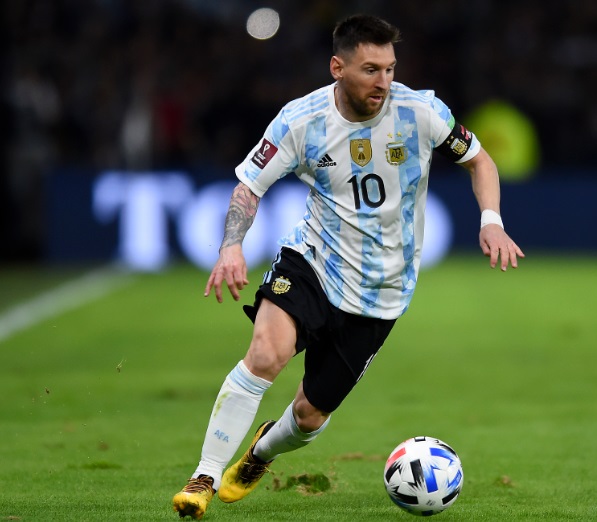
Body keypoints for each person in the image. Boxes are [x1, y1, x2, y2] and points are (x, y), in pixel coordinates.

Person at [172, 13, 524, 519]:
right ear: (338, 67)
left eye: (390, 69)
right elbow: (249, 186)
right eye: (370, 70)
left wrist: (491, 221)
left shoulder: (421, 112)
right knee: (266, 354)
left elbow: (480, 160)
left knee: (309, 416)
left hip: (383, 291)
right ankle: (204, 476)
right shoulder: (301, 121)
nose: (384, 81)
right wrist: (231, 246)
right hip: (313, 262)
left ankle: (261, 452)